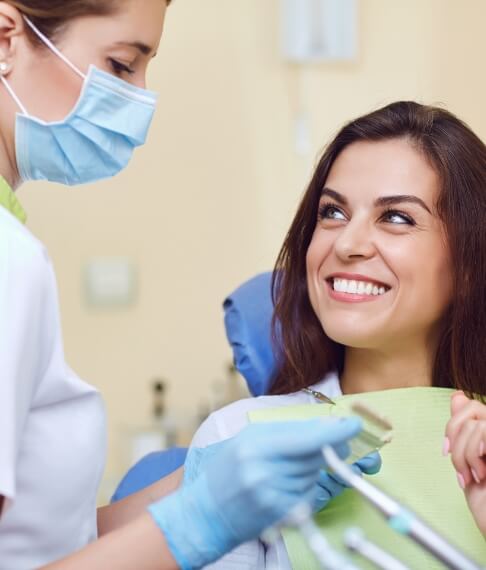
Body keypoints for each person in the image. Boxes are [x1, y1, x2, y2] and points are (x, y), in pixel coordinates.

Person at [0, 1, 380, 569]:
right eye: (123, 64)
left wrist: (197, 486)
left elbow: (41, 543)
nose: (141, 101)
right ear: (6, 39)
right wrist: (204, 518)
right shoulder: (10, 260)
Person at [188, 100, 486, 568]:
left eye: (396, 218)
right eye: (332, 212)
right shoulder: (239, 439)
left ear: (470, 265)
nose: (346, 244)